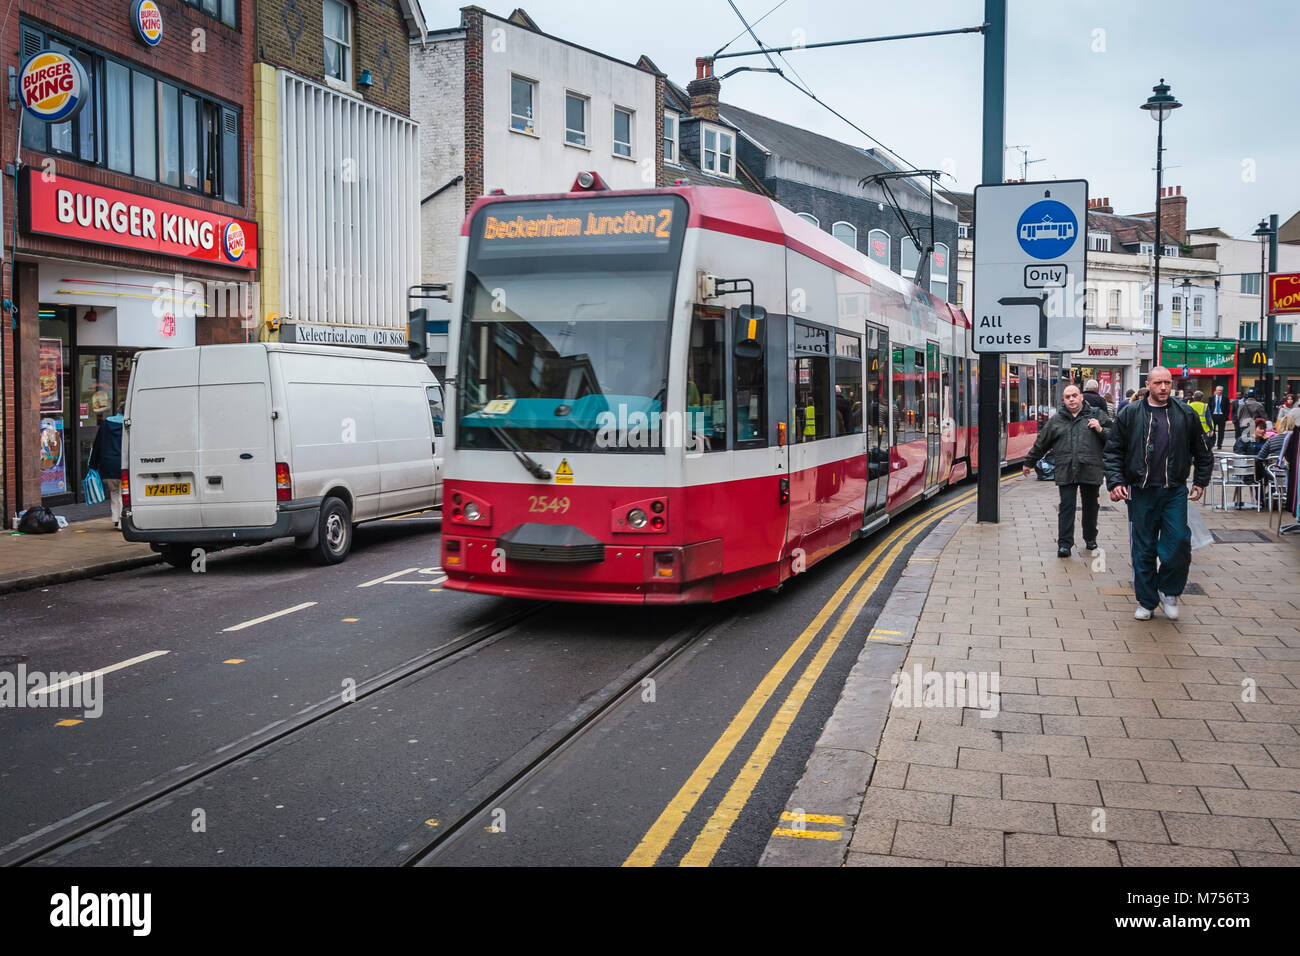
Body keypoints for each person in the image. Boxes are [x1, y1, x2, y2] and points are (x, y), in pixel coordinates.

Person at [1104, 366, 1212, 621]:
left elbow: (1203, 450)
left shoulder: (1185, 413)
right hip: (1140, 491)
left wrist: (1200, 480)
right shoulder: (1130, 413)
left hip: (1174, 490)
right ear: (1148, 385)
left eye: (1167, 383)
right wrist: (1115, 482)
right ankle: (1147, 601)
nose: (1164, 388)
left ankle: (1170, 590)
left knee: (1178, 544)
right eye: (1158, 383)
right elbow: (1113, 451)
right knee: (1143, 548)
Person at [1024, 384, 1110, 557]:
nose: (1071, 399)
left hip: (1091, 468)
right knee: (1066, 507)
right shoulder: (1057, 419)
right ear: (1063, 400)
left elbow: (1115, 437)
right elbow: (1042, 441)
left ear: (1081, 397)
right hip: (1066, 469)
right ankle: (1064, 545)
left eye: (1074, 395)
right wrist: (1029, 461)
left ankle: (1090, 539)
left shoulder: (1097, 415)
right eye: (1067, 396)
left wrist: (1101, 430)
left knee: (1091, 507)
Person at [88, 402, 125, 530]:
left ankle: (115, 518)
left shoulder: (106, 423)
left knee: (114, 491)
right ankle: (122, 521)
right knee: (124, 493)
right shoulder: (129, 424)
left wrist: (93, 464)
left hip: (108, 464)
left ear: (118, 410)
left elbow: (97, 444)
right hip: (124, 463)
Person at [1209, 385, 1229, 450]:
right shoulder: (1211, 398)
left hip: (1221, 416)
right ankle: (1212, 444)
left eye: (1221, 390)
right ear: (1216, 390)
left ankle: (1219, 445)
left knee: (1221, 432)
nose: (1220, 391)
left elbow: (1227, 409)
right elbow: (1209, 408)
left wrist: (1225, 417)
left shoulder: (1225, 399)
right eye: (1218, 390)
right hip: (1213, 416)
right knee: (1212, 431)